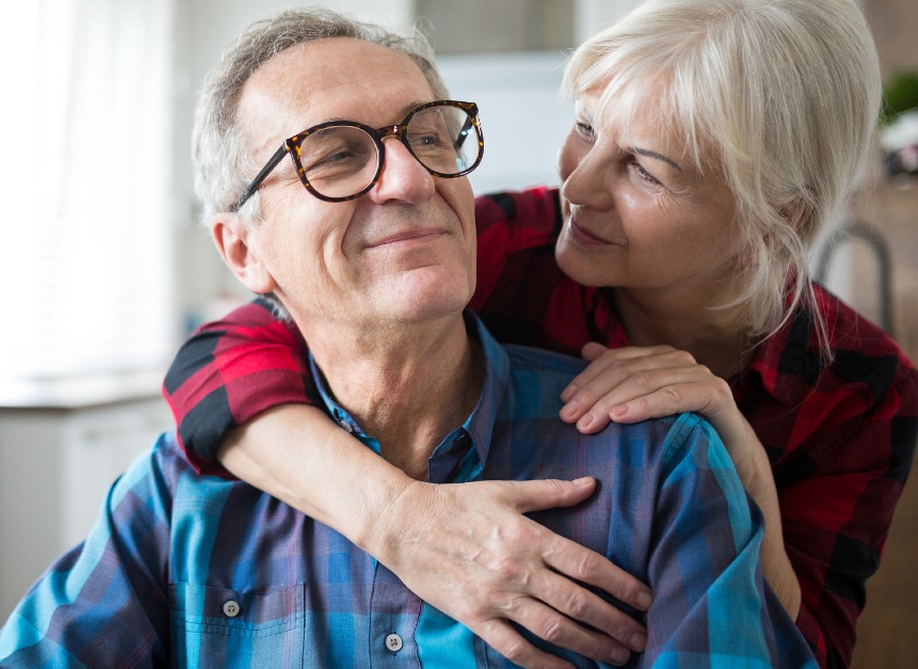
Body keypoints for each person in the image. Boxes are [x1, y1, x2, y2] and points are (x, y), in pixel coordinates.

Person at [0, 8, 817, 668]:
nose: (411, 177)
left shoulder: (658, 465)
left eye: (432, 135)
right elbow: (206, 364)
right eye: (335, 155)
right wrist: (397, 516)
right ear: (242, 249)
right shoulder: (182, 494)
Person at [161, 0, 918, 667]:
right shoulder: (505, 245)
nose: (578, 186)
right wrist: (398, 519)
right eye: (585, 127)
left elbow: (810, 647)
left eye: (644, 171)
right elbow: (215, 359)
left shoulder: (860, 386)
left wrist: (747, 474)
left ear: (777, 216)